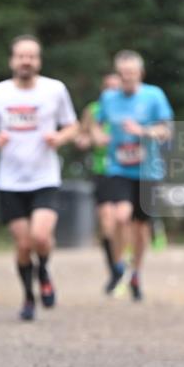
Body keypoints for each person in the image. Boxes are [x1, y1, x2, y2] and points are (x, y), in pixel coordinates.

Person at [0, 35, 78, 320]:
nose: (26, 61)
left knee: (40, 237)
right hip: (10, 181)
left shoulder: (55, 90)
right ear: (12, 60)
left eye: (31, 56)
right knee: (23, 245)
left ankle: (43, 270)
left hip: (45, 177)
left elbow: (73, 126)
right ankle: (28, 296)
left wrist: (59, 137)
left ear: (39, 61)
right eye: (21, 56)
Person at [91, 50, 173, 301]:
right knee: (119, 216)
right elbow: (95, 123)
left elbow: (166, 130)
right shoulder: (108, 98)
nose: (127, 78)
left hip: (148, 171)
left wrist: (143, 131)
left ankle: (136, 272)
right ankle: (118, 265)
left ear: (140, 74)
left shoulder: (154, 95)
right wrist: (97, 135)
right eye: (122, 74)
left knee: (141, 226)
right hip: (118, 168)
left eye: (131, 73)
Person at [75, 72, 121, 283]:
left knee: (123, 220)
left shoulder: (129, 108)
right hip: (102, 171)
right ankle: (114, 268)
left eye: (116, 87)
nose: (112, 91)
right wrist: (84, 140)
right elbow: (82, 136)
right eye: (108, 87)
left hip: (127, 171)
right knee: (107, 221)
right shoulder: (93, 110)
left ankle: (125, 262)